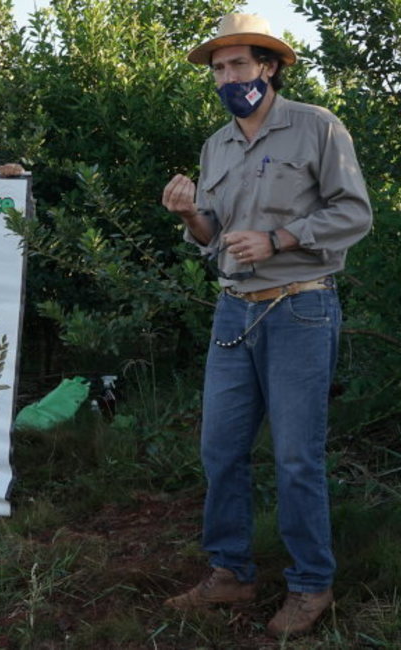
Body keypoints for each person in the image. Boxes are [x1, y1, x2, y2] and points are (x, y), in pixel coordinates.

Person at [161, 14, 372, 638]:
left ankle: (312, 584)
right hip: (235, 309)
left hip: (302, 307)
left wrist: (279, 238)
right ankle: (231, 573)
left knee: (296, 457)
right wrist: (190, 216)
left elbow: (355, 213)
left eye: (239, 65)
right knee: (219, 449)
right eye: (219, 69)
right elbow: (216, 240)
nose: (228, 78)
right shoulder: (216, 145)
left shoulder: (317, 127)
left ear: (269, 66)